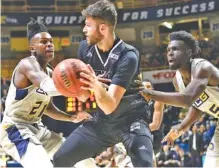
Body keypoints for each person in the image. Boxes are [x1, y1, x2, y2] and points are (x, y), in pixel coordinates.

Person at [53, 0, 153, 167]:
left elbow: (110, 105)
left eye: (88, 25)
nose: (84, 30)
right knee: (60, 159)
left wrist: (95, 84)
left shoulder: (128, 56)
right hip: (102, 122)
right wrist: (69, 86)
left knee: (144, 163)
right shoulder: (85, 48)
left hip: (130, 120)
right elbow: (84, 97)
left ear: (103, 28)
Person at [0, 18, 91, 168]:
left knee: (83, 159)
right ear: (32, 48)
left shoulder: (50, 72)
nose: (49, 44)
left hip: (37, 128)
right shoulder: (27, 64)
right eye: (43, 42)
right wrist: (79, 88)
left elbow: (48, 108)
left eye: (51, 42)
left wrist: (71, 118)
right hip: (15, 128)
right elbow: (49, 87)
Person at [140, 30, 219, 167]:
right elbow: (197, 104)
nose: (170, 53)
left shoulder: (202, 67)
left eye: (175, 49)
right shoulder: (177, 81)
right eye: (168, 49)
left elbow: (187, 99)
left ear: (189, 52)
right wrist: (182, 127)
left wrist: (148, 93)